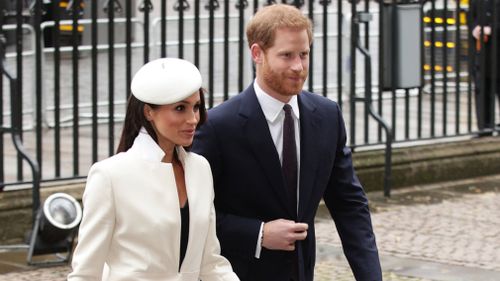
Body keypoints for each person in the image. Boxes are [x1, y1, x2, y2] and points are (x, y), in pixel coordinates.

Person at [192, 4, 382, 281]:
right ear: (257, 53)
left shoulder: (327, 116)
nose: (298, 66)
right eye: (287, 55)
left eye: (304, 54)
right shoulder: (219, 126)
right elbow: (193, 216)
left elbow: (349, 204)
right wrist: (257, 233)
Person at [68, 58, 239, 281]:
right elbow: (85, 274)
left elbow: (211, 264)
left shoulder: (200, 169)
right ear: (149, 112)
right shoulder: (109, 176)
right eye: (180, 108)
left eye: (196, 107)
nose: (193, 119)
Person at [470, 0, 500, 136]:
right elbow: (472, 17)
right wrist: (475, 28)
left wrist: (492, 29)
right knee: (482, 88)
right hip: (482, 51)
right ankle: (484, 127)